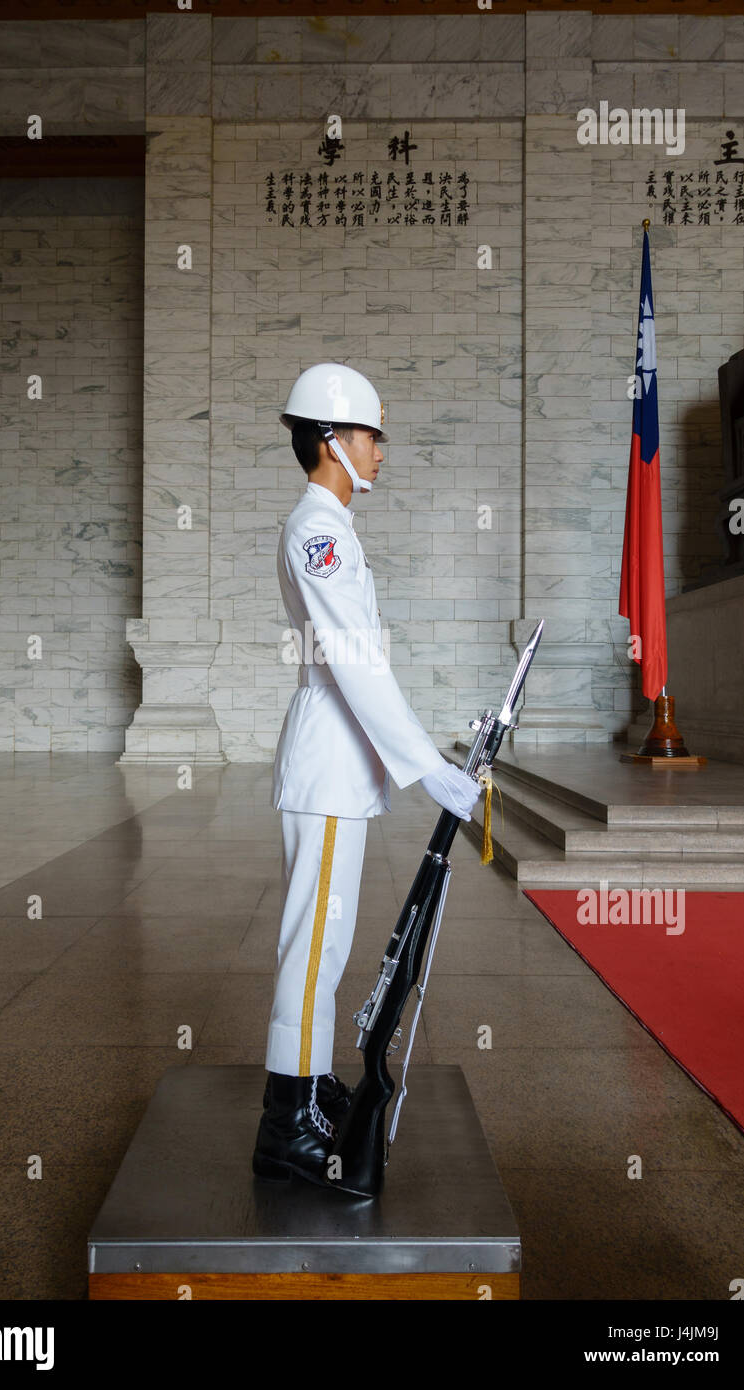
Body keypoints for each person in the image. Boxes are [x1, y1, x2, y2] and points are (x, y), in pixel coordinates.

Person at [252, 363, 481, 1186]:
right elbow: (352, 662)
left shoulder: (333, 527)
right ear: (330, 441)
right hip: (327, 766)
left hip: (339, 767)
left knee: (326, 942)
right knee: (314, 948)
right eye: (369, 434)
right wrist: (428, 767)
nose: (381, 449)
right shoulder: (319, 531)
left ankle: (310, 1090)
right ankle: (288, 1122)